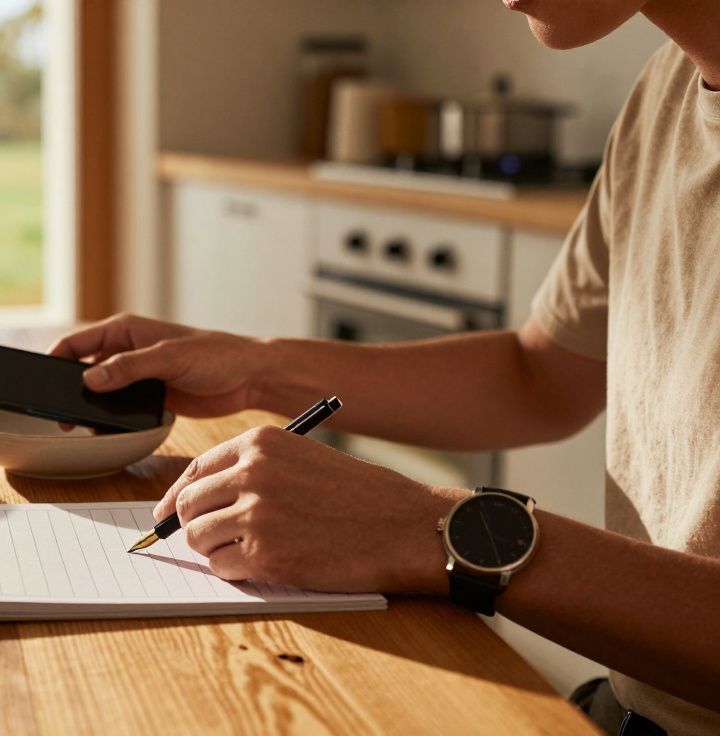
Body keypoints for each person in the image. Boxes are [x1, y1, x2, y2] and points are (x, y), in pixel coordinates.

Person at [51, 1, 720, 733]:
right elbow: (540, 376)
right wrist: (255, 370)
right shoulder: (666, 92)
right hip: (628, 709)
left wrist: (436, 532)